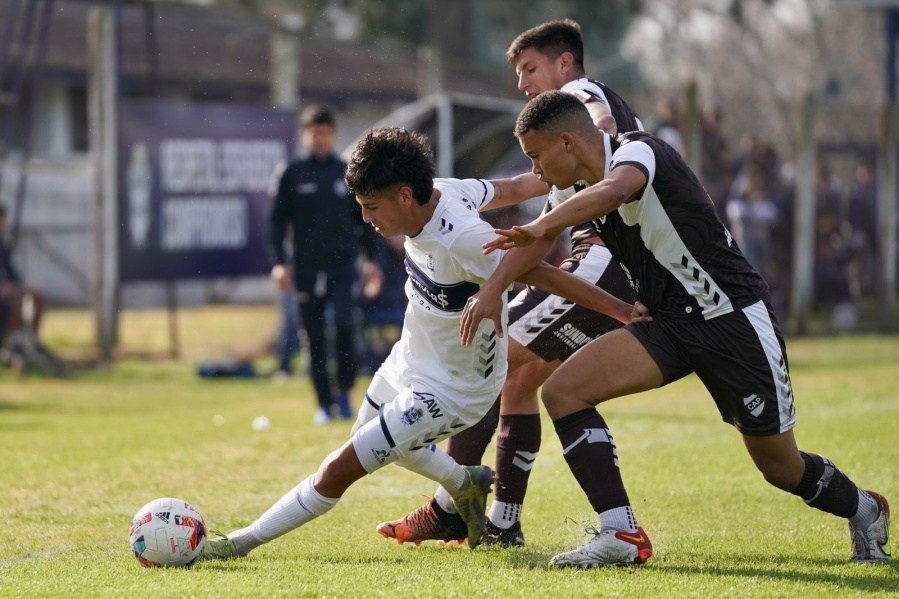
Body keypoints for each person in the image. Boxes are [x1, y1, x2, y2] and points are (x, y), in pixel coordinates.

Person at [465, 90, 891, 567]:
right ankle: (620, 533)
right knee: (564, 392)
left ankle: (866, 509)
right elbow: (535, 239)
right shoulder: (570, 189)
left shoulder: (637, 150)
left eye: (536, 157)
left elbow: (614, 192)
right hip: (666, 324)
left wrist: (543, 225)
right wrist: (492, 289)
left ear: (567, 142)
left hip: (731, 320)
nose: (536, 172)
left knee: (780, 466)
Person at [201, 127, 641, 561]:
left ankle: (237, 544)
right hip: (408, 359)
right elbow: (506, 187)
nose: (367, 219)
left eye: (372, 207)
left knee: (338, 469)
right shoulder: (445, 189)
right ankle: (462, 482)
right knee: (362, 437)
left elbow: (545, 274)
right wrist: (547, 177)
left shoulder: (464, 240)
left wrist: (621, 312)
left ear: (405, 195)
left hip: (453, 389)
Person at [378, 18, 644, 548]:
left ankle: (450, 507)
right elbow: (528, 190)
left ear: (564, 63)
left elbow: (600, 113)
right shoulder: (555, 146)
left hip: (605, 264)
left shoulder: (578, 97)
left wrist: (601, 126)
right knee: (518, 382)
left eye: (530, 68)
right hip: (613, 265)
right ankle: (501, 523)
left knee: (488, 361)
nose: (522, 83)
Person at [269, 105, 378, 424]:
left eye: (325, 132)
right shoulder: (292, 174)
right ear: (305, 135)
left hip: (343, 267)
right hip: (305, 268)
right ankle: (323, 403)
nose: (319, 138)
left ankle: (345, 394)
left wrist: (371, 262)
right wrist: (279, 263)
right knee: (314, 337)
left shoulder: (346, 173)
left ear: (334, 135)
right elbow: (276, 223)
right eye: (313, 132)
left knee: (345, 327)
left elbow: (364, 220)